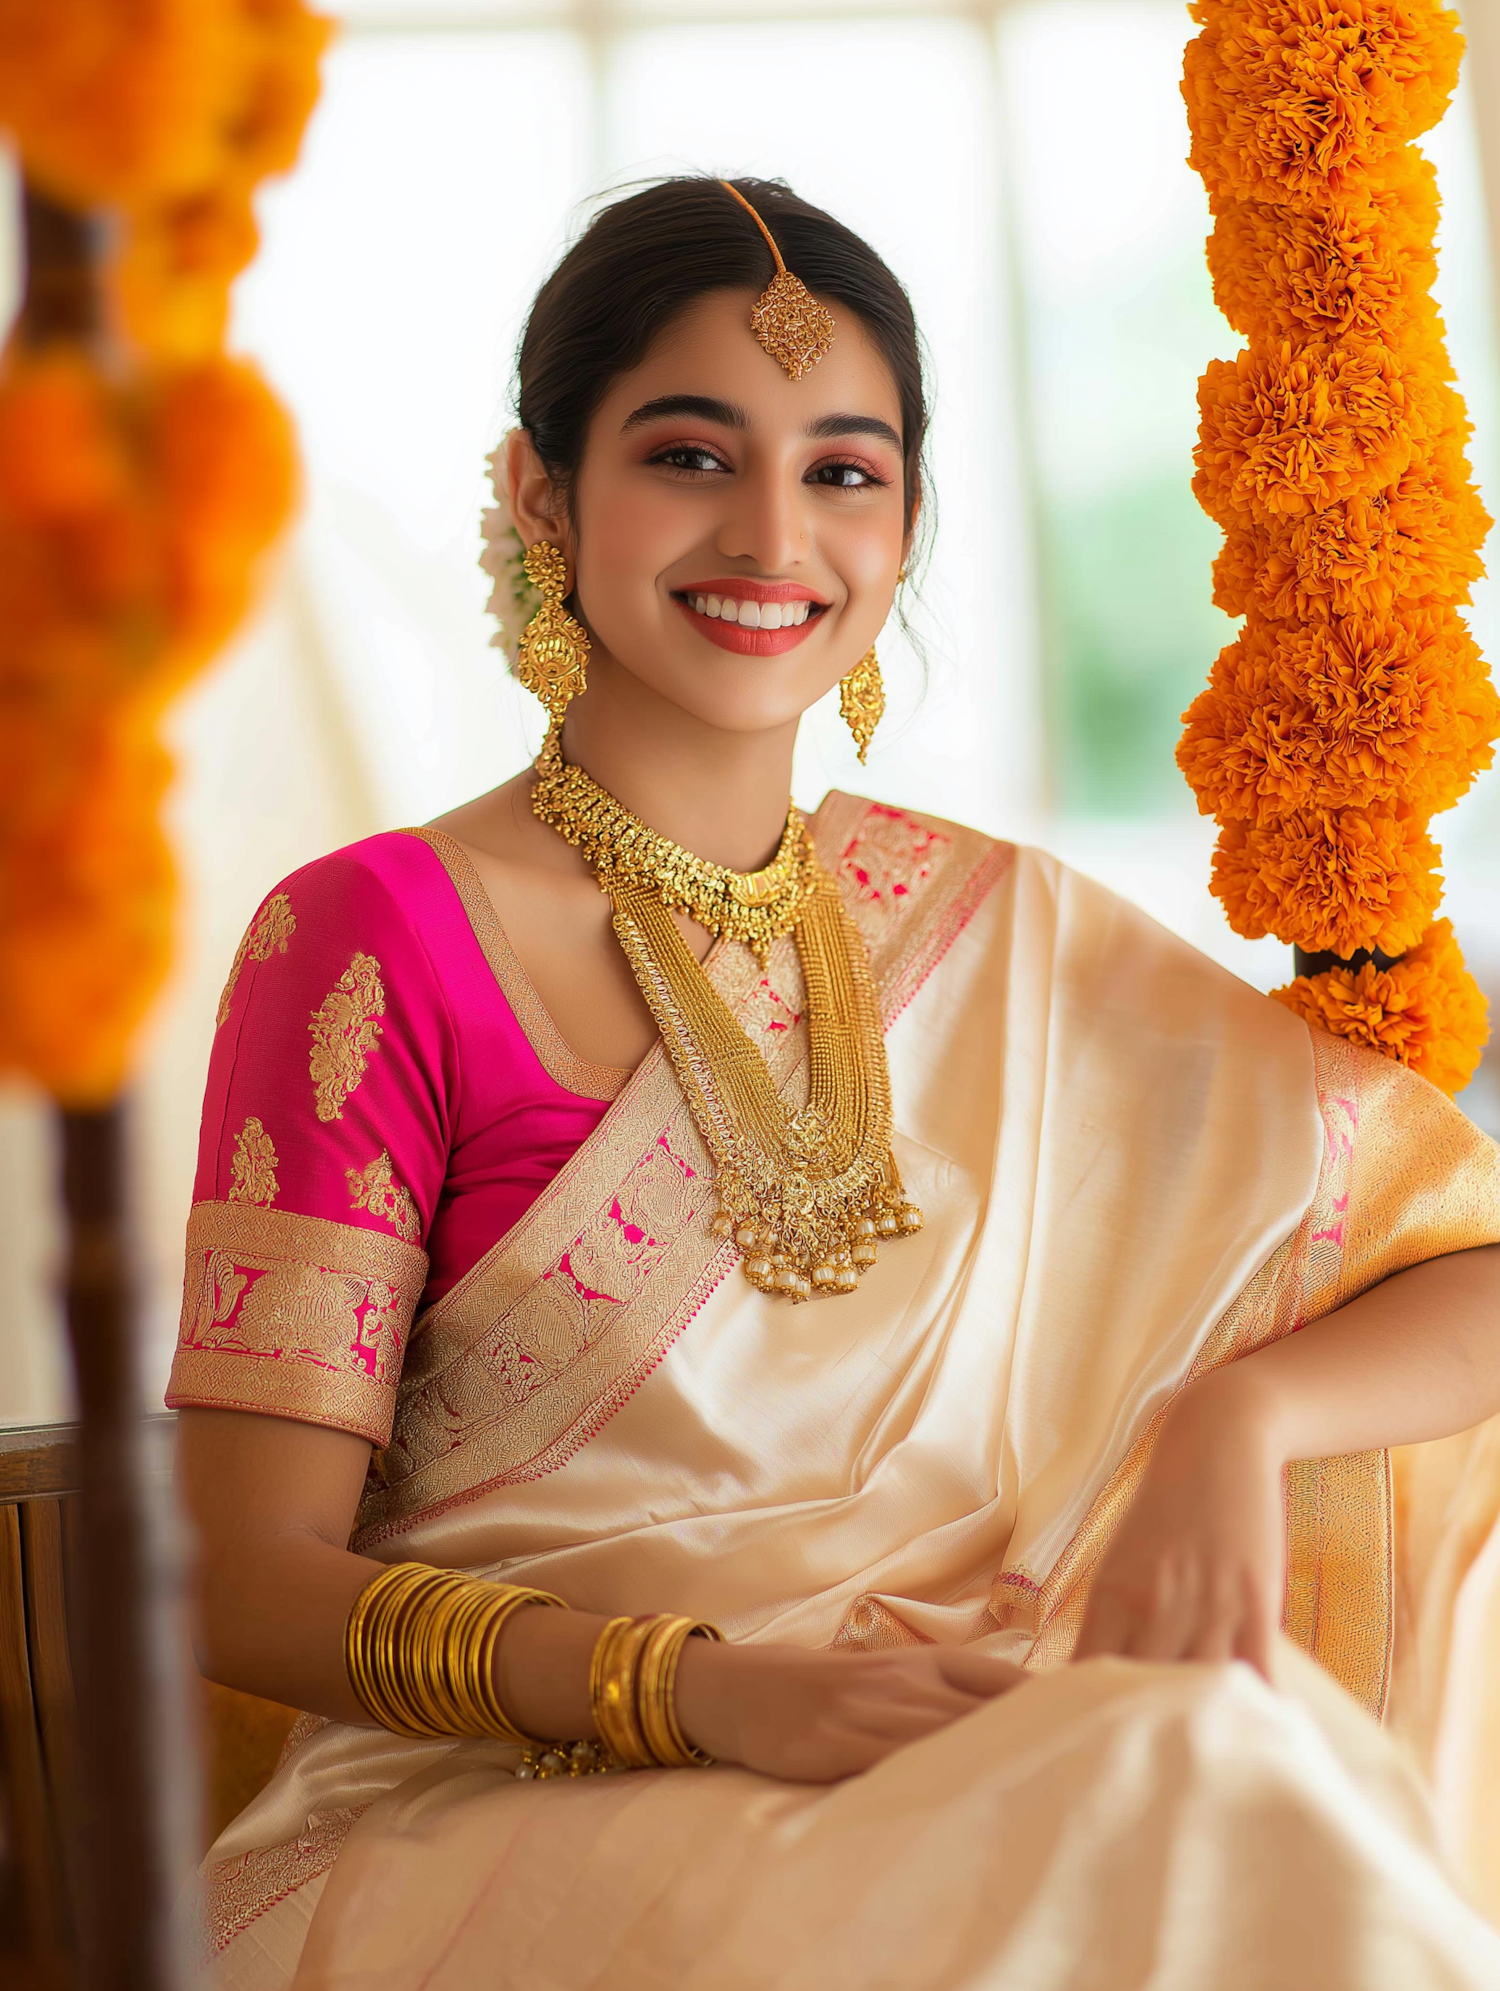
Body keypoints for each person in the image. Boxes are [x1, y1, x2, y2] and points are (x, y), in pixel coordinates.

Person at [170, 178, 1500, 1990]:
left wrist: (1233, 1423)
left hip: (974, 1742)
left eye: (846, 470)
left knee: (1226, 1772)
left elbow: (1468, 1274)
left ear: (907, 522)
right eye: (693, 454)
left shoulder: (999, 934)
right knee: (1197, 1798)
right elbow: (247, 1580)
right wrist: (706, 1687)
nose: (773, 531)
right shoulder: (370, 940)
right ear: (540, 492)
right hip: (513, 1798)